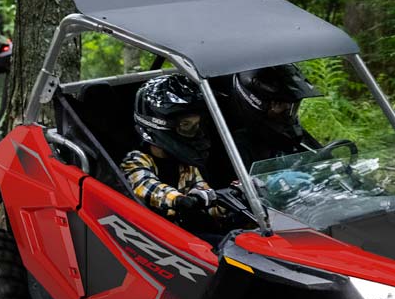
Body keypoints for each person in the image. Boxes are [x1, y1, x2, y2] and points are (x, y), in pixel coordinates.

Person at [121, 74, 228, 225]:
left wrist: (227, 202)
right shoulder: (135, 160)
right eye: (186, 125)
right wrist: (178, 200)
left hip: (183, 230)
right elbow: (145, 185)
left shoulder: (186, 164)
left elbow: (204, 196)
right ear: (159, 124)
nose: (195, 133)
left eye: (197, 125)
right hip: (150, 230)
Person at [220, 64, 319, 169]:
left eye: (293, 107)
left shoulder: (291, 135)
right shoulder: (239, 146)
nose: (289, 112)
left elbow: (322, 157)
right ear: (259, 103)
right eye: (280, 105)